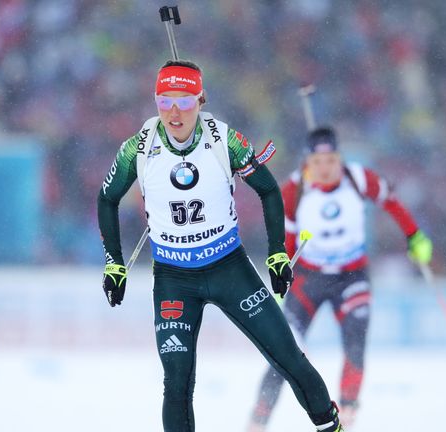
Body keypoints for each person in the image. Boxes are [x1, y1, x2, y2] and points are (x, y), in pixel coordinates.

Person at [97, 60, 344, 432]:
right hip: (174, 277)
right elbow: (106, 199)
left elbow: (268, 189)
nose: (174, 112)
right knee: (177, 384)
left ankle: (330, 425)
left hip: (229, 268)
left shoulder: (222, 139)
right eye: (165, 102)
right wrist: (114, 263)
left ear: (201, 100)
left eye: (184, 101)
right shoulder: (139, 147)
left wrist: (277, 252)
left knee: (288, 357)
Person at [247, 126, 433, 430]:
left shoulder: (358, 179)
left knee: (355, 342)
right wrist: (283, 273)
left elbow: (392, 202)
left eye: (331, 161)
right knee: (283, 352)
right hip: (309, 279)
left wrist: (414, 236)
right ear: (307, 162)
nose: (325, 169)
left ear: (340, 159)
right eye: (318, 163)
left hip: (351, 276)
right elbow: (285, 239)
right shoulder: (294, 191)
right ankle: (257, 420)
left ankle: (346, 416)